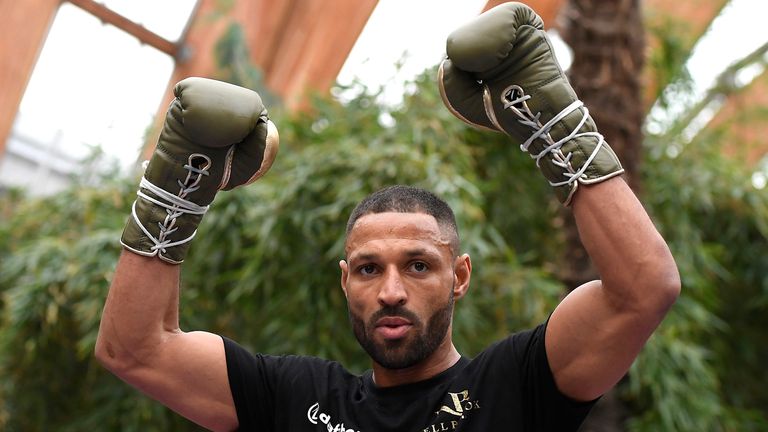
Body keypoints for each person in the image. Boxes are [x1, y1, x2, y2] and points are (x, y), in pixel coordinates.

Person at [95, 3, 680, 431]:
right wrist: (174, 187)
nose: (391, 291)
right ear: (345, 279)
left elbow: (643, 288)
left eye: (419, 265)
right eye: (370, 269)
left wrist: (553, 121)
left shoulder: (514, 386)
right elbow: (133, 350)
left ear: (460, 276)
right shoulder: (294, 398)